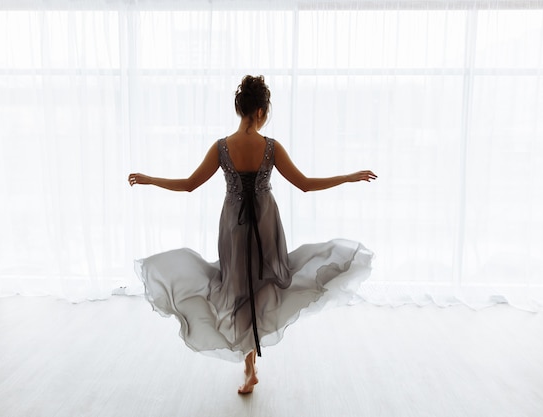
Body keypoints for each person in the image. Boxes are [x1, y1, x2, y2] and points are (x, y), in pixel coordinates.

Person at [128, 75, 376, 394]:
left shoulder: (222, 147)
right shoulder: (270, 147)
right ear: (261, 111)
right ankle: (250, 366)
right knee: (265, 283)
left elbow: (189, 184)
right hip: (265, 221)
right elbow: (304, 184)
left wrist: (151, 179)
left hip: (233, 225)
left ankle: (249, 368)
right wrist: (348, 177)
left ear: (240, 109)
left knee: (237, 288)